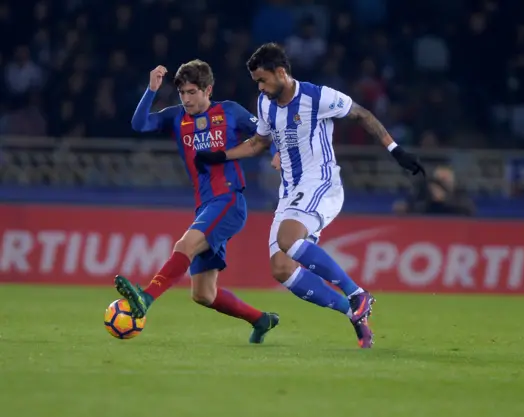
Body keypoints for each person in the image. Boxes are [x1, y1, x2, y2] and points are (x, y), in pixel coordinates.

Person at [195, 43, 425, 348]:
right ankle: (353, 312)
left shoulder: (318, 96)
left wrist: (396, 151)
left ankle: (357, 294)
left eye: (263, 80)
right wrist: (221, 156)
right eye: (257, 83)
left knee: (289, 239)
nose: (260, 88)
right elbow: (258, 144)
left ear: (281, 73)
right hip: (290, 191)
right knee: (281, 269)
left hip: (321, 183)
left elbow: (362, 114)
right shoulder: (265, 103)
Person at [114, 59, 279, 344]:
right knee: (203, 294)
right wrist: (151, 90)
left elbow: (266, 134)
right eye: (182, 93)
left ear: (208, 89)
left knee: (184, 246)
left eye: (192, 92)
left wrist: (276, 153)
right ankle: (261, 319)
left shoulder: (229, 112)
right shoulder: (176, 117)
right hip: (205, 205)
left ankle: (146, 298)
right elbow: (139, 124)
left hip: (228, 200)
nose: (187, 99)